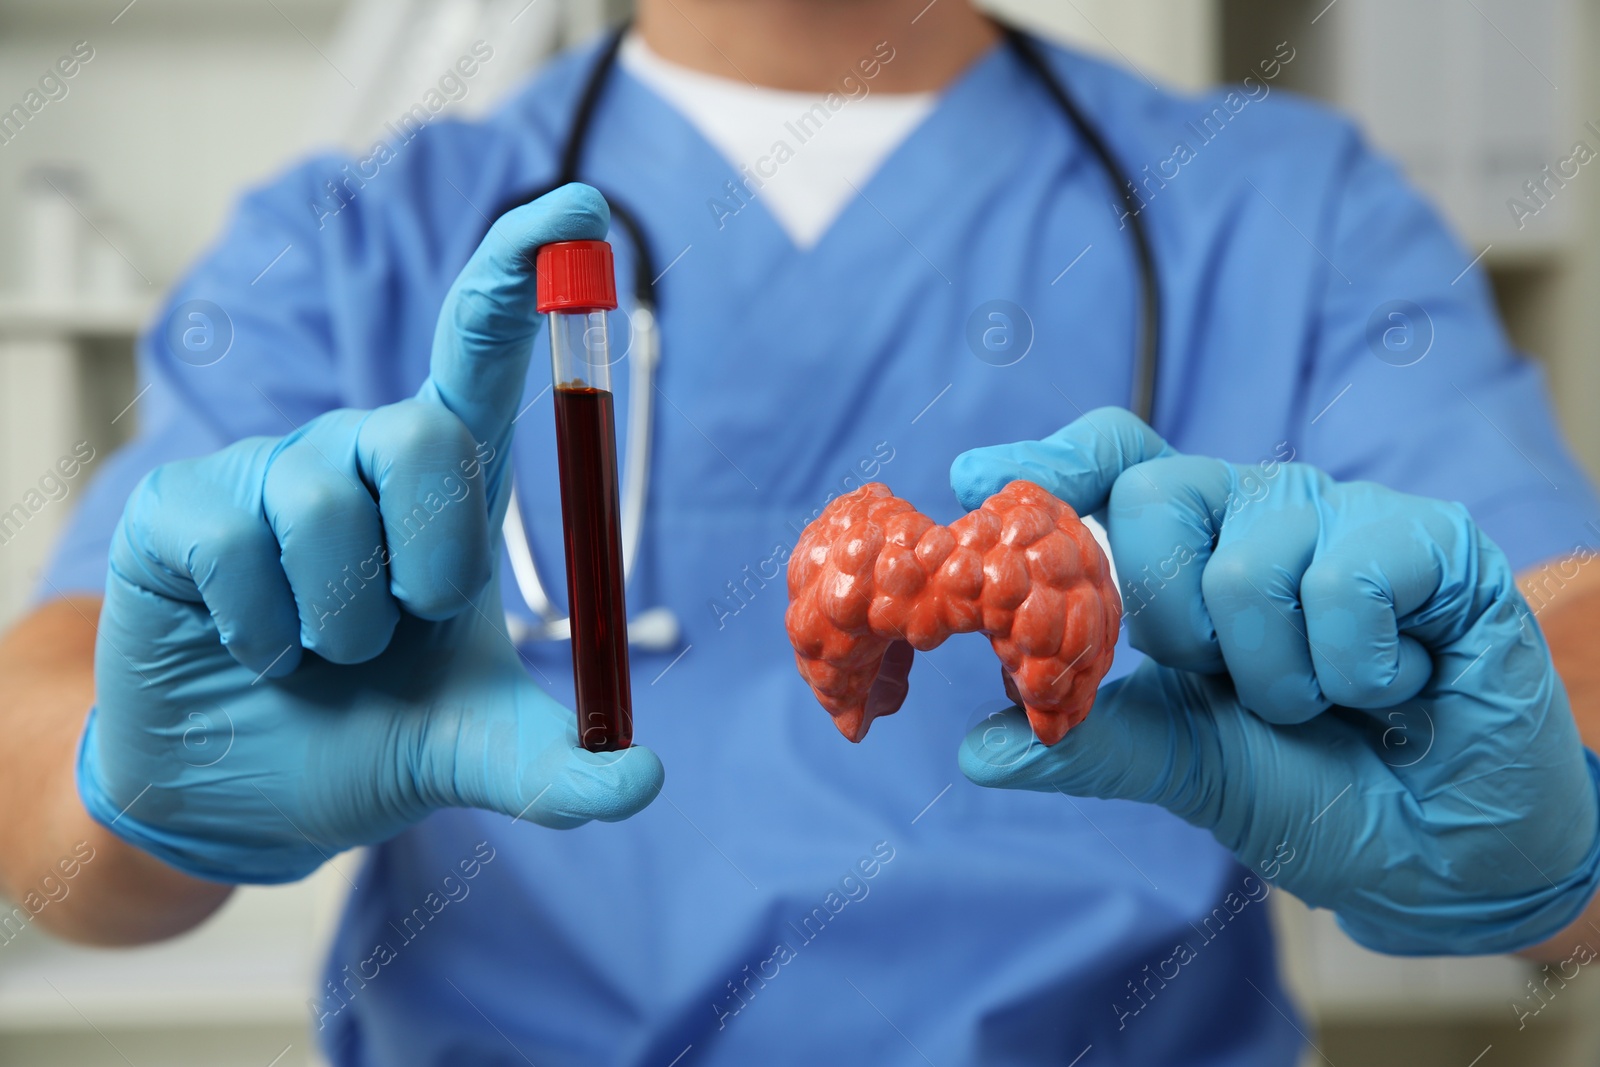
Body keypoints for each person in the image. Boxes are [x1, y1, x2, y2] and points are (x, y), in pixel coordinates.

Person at [4, 1, 1600, 1062]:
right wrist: (130, 798)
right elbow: (50, 770)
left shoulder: (1286, 206)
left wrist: (1553, 842)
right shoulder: (364, 232)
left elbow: (1562, 642)